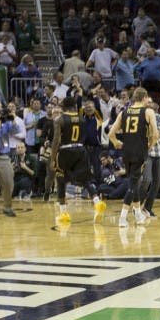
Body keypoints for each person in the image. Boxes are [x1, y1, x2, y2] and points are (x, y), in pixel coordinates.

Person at [51, 95, 106, 225]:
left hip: (65, 150)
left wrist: (53, 158)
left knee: (60, 180)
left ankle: (64, 213)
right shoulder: (82, 119)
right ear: (75, 107)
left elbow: (56, 140)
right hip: (81, 150)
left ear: (63, 107)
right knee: (86, 179)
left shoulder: (60, 120)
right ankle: (97, 202)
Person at [108, 87, 159, 227]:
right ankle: (123, 217)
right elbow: (155, 135)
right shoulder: (148, 111)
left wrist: (117, 143)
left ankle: (137, 214)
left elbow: (110, 134)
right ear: (144, 98)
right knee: (132, 184)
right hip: (139, 152)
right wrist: (149, 147)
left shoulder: (124, 112)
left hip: (126, 152)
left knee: (134, 182)